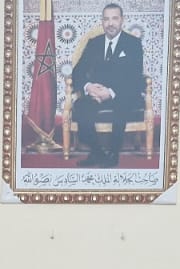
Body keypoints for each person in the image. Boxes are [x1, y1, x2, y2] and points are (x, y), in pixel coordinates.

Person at [69, 4, 145, 168]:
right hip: (96, 94)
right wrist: (89, 87)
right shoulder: (94, 43)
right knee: (81, 106)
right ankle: (97, 152)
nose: (110, 23)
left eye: (114, 18)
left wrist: (110, 92)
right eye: (106, 19)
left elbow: (134, 77)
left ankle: (113, 153)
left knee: (122, 104)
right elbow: (77, 72)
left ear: (122, 20)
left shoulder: (133, 44)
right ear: (102, 22)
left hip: (122, 94)